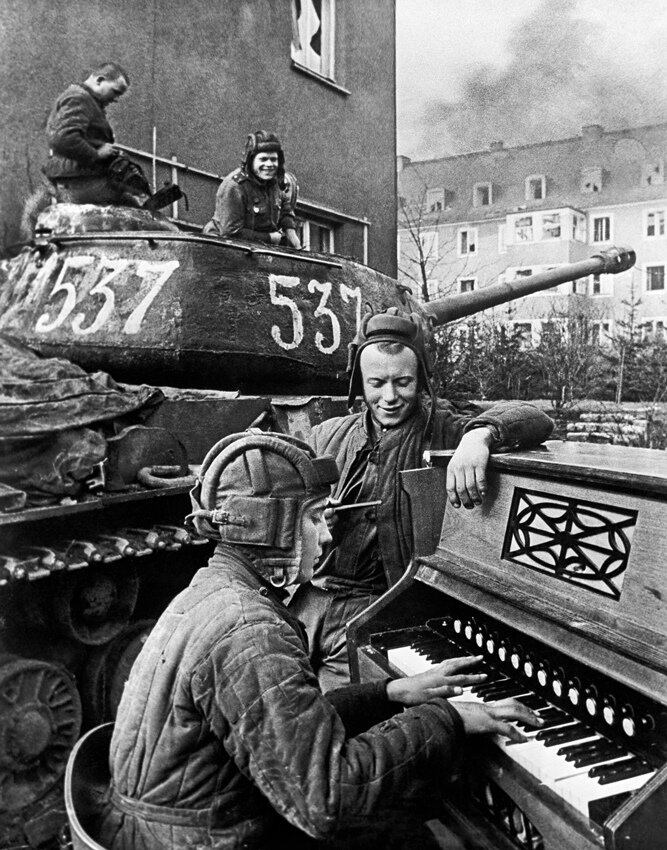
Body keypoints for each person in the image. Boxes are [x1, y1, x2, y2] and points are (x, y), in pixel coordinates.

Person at [98, 431, 543, 850]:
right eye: (314, 518)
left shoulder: (214, 588)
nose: (328, 536)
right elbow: (327, 800)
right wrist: (445, 718)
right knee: (405, 834)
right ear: (269, 528)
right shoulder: (251, 632)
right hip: (200, 839)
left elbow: (282, 718)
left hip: (172, 823)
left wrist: (388, 693)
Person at [289, 308, 555, 691]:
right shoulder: (326, 436)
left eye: (403, 382)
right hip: (307, 605)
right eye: (376, 383)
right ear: (359, 382)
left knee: (340, 713)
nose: (389, 397)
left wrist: (479, 436)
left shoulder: (444, 429)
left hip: (379, 612)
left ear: (422, 379)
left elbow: (535, 418)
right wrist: (310, 516)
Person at [42, 61, 151, 208]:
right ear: (99, 80)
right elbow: (63, 137)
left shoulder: (86, 100)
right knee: (132, 209)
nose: (115, 99)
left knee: (133, 202)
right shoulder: (79, 98)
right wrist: (96, 154)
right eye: (115, 91)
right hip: (77, 180)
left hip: (80, 177)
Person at [203, 131, 302, 248]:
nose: (269, 164)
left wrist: (292, 234)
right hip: (222, 247)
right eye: (263, 159)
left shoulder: (273, 182)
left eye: (273, 159)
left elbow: (285, 208)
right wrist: (269, 238)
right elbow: (231, 233)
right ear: (251, 160)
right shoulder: (235, 186)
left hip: (258, 249)